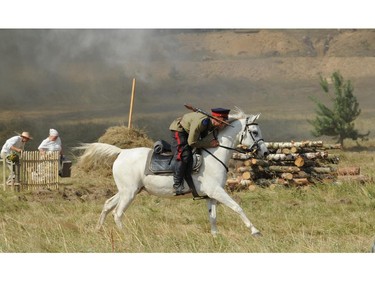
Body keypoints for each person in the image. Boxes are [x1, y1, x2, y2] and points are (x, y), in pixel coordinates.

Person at [169, 107, 230, 195]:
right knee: (183, 155)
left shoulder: (210, 123)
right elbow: (192, 142)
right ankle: (177, 186)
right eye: (222, 123)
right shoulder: (202, 123)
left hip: (189, 132)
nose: (223, 126)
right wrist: (209, 144)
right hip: (179, 130)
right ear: (217, 120)